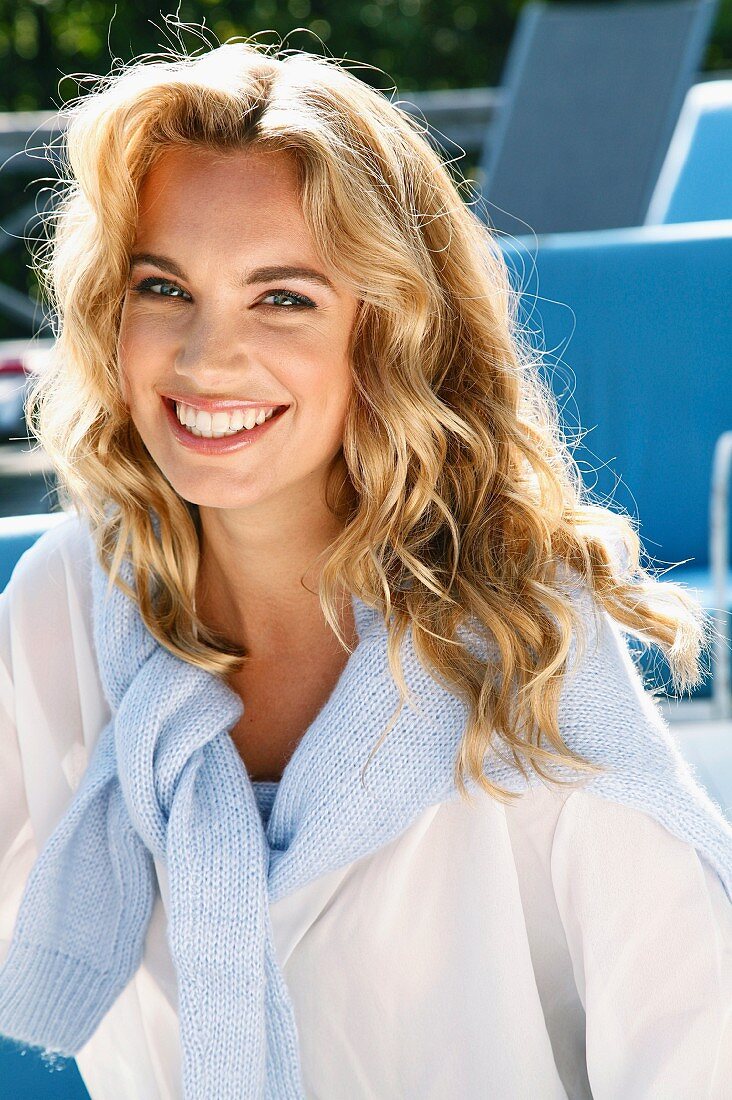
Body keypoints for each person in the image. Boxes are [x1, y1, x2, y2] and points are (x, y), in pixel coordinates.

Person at [0, 35, 730, 1100]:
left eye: (282, 297)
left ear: (383, 330)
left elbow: (697, 1032)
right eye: (165, 287)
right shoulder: (68, 602)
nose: (205, 358)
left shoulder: (521, 631)